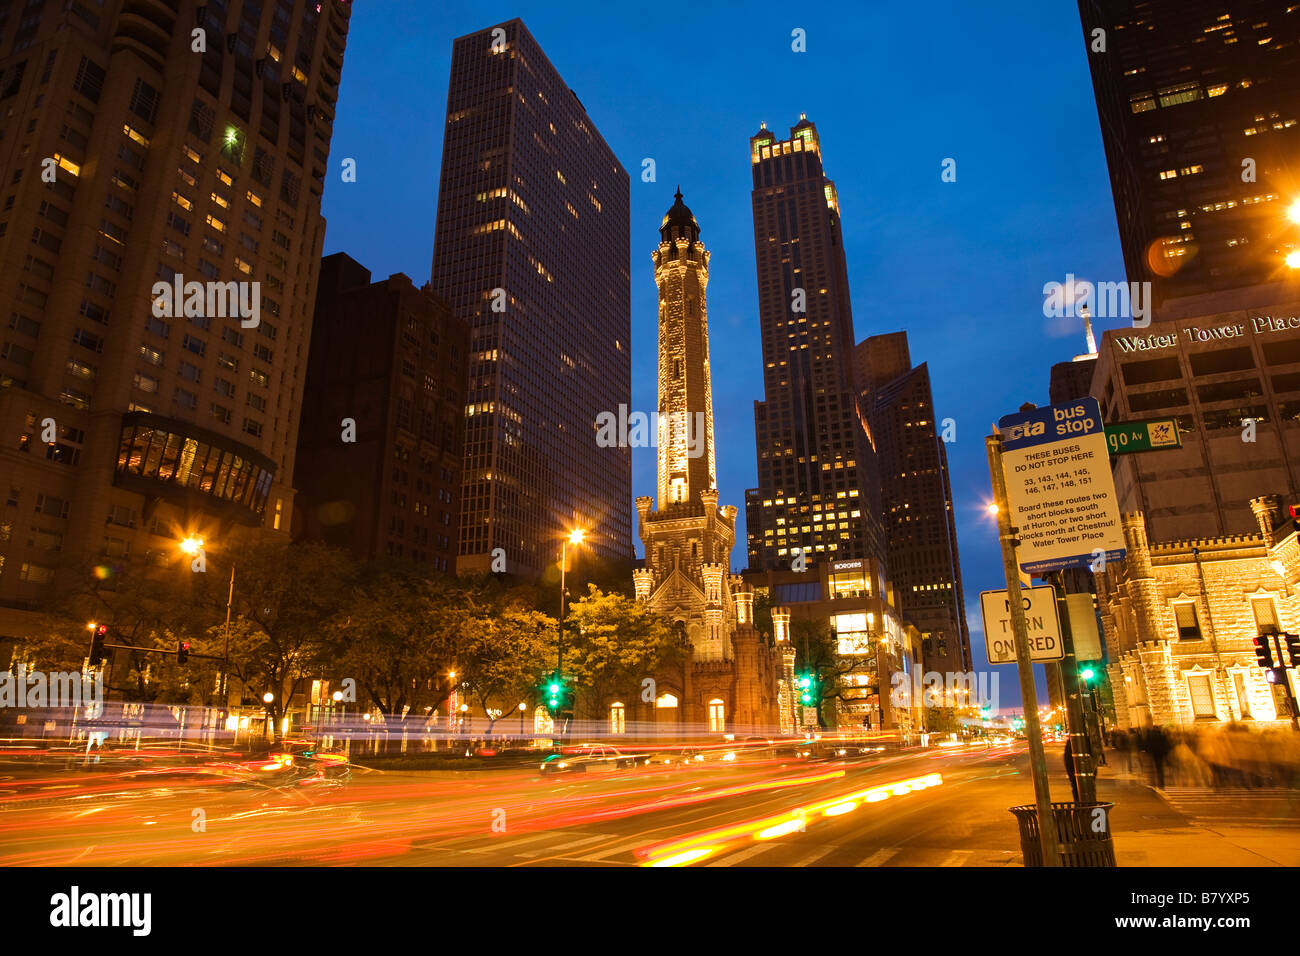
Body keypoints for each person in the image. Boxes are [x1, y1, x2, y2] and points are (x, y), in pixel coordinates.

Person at [1064, 737, 1080, 803]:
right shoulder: (1071, 742)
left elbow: (1067, 760)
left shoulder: (1071, 742)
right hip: (1075, 774)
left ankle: (1079, 810)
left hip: (1074, 775)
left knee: (1076, 793)